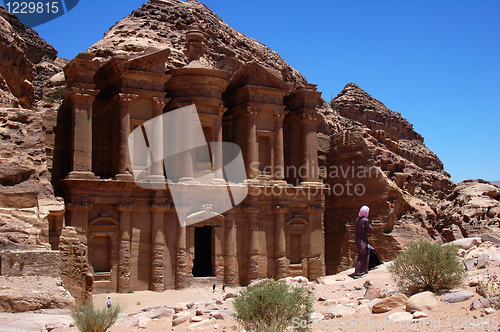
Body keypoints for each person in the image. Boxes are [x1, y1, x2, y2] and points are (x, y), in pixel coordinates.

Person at [351, 205, 382, 278]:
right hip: (362, 240)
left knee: (370, 249)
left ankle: (373, 265)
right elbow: (370, 230)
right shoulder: (365, 220)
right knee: (362, 255)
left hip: (358, 239)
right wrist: (367, 232)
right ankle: (358, 273)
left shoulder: (358, 219)